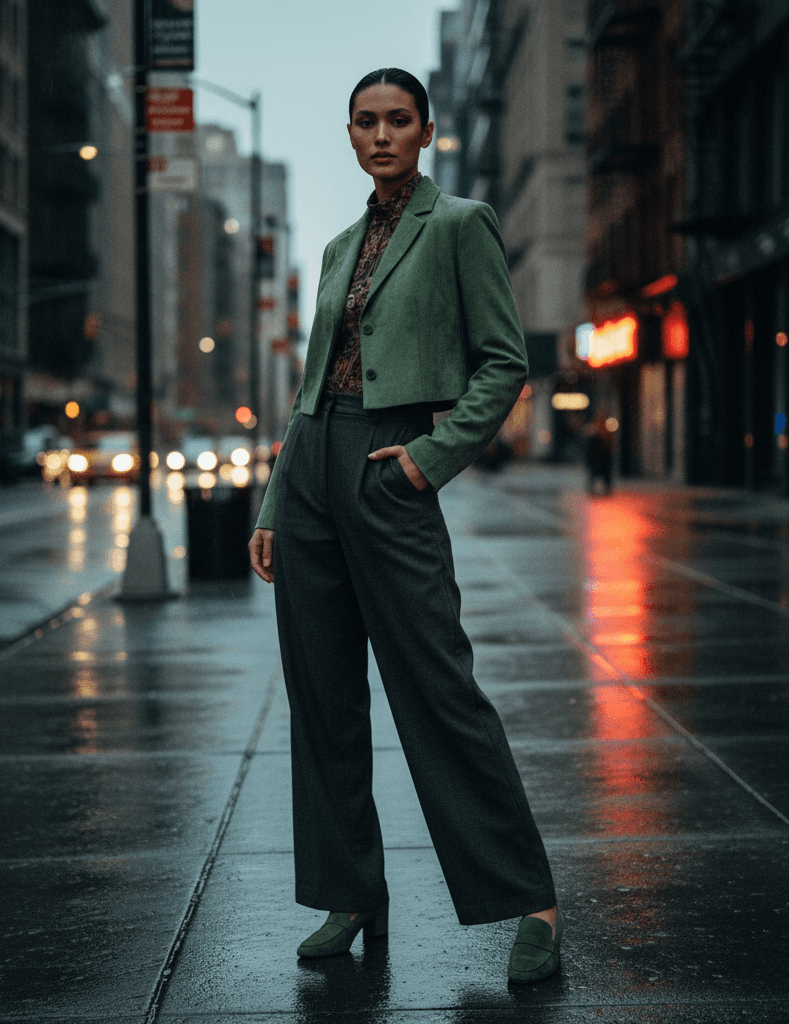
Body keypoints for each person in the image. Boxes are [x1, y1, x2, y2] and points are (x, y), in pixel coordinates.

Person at [247, 68, 561, 984]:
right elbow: (308, 390)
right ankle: (351, 891)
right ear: (349, 135)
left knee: (438, 687)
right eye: (365, 123)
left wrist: (431, 456)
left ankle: (529, 900)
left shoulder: (460, 224)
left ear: (426, 132)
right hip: (312, 469)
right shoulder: (340, 246)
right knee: (324, 698)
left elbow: (503, 366)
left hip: (393, 464)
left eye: (398, 121)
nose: (381, 136)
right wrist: (275, 499)